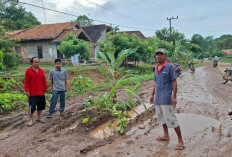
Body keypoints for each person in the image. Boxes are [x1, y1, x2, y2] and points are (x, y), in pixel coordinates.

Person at [150, 48, 185, 150]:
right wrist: (152, 95)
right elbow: (155, 83)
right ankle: (166, 136)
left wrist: (174, 97)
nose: (158, 56)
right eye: (157, 54)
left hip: (166, 98)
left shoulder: (170, 67)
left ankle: (180, 141)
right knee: (161, 118)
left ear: (165, 56)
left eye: (161, 54)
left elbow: (174, 82)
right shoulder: (156, 68)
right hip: (158, 98)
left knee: (171, 119)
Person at [24, 57, 49, 127]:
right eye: (35, 62)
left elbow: (44, 80)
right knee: (32, 107)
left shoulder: (41, 70)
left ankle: (38, 118)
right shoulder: (28, 71)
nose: (37, 63)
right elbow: (26, 82)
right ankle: (31, 120)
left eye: (38, 62)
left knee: (40, 106)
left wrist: (46, 87)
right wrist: (26, 90)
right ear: (32, 63)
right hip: (33, 93)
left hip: (41, 92)